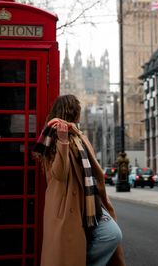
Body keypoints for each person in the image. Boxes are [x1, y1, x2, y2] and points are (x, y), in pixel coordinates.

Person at [33, 94, 126, 266]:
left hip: (89, 201)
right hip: (67, 205)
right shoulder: (51, 136)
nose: (80, 115)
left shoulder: (77, 134)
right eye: (78, 111)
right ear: (72, 112)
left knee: (113, 234)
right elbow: (59, 174)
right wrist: (62, 141)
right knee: (75, 251)